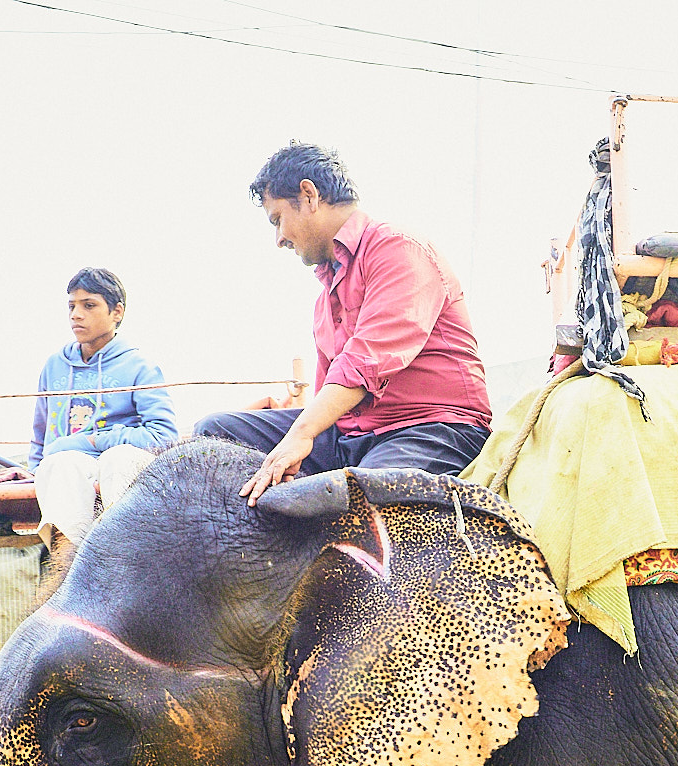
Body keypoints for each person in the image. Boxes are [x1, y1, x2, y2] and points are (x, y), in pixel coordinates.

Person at [198, 142, 492, 504]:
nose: (279, 239)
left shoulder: (398, 248)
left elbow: (366, 359)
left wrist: (301, 434)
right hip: (351, 436)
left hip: (430, 427)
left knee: (355, 501)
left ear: (309, 196)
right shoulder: (326, 294)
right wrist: (304, 432)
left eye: (278, 220)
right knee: (213, 433)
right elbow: (329, 396)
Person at [30, 267, 178, 545]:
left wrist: (92, 440)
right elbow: (41, 431)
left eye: (89, 305)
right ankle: (68, 568)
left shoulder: (139, 366)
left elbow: (163, 436)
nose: (76, 314)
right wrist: (36, 468)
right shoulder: (55, 366)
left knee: (117, 459)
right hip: (72, 464)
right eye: (71, 306)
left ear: (117, 312)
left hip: (120, 462)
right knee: (58, 464)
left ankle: (122, 557)